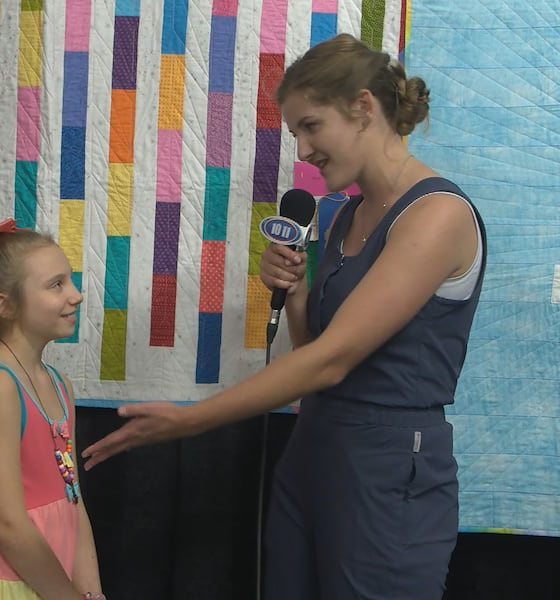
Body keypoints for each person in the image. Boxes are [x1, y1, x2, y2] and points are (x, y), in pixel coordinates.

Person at [82, 33, 486, 599]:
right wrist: (294, 291)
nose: (302, 151)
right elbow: (313, 348)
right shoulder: (345, 217)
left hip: (388, 462)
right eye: (296, 132)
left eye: (310, 126)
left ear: (364, 108)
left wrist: (190, 421)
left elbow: (334, 360)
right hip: (315, 444)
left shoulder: (438, 214)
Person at [0, 220, 104, 600]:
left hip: (49, 585)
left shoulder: (59, 384)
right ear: (3, 305)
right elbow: (9, 523)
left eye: (71, 281)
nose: (75, 295)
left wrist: (91, 591)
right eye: (56, 285)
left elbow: (72, 498)